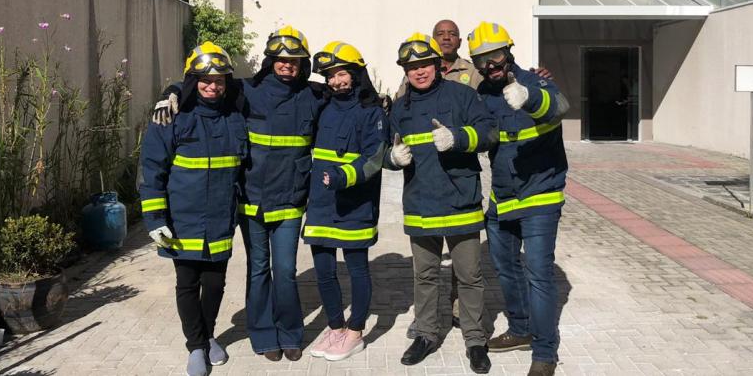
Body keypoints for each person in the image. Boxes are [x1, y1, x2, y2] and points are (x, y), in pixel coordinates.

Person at [152, 26, 327, 362]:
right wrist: (170, 90)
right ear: (270, 60)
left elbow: (346, 96)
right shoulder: (248, 90)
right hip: (252, 201)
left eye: (294, 60)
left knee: (287, 271)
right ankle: (262, 335)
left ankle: (290, 331)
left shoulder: (314, 96)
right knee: (259, 269)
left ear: (302, 63)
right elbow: (206, 81)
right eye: (280, 59)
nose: (286, 65)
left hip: (290, 201)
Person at [383, 32, 496, 374]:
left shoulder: (462, 95)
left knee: (470, 276)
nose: (418, 72)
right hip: (420, 203)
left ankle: (476, 339)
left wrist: (458, 138)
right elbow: (385, 150)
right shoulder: (400, 108)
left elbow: (489, 133)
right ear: (405, 71)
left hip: (460, 200)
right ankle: (427, 334)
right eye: (411, 67)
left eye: (424, 65)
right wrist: (392, 158)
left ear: (436, 65)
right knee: (425, 276)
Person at [466, 22, 569, 376]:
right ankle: (522, 329)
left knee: (539, 274)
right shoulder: (483, 94)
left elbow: (559, 108)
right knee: (506, 269)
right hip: (502, 199)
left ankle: (544, 352)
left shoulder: (537, 81)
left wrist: (531, 98)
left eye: (494, 56)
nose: (490, 66)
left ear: (508, 51)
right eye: (481, 61)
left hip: (539, 195)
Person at [139, 41, 246, 376]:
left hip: (220, 220)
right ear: (192, 79)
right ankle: (195, 346)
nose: (212, 86)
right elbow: (152, 168)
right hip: (182, 221)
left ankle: (210, 335)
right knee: (187, 284)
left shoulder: (235, 115)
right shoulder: (171, 117)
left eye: (219, 81)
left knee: (215, 285)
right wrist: (155, 219)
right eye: (204, 79)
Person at [302, 41, 389, 361]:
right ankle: (336, 327)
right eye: (330, 76)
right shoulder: (323, 104)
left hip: (356, 204)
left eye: (341, 74)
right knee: (323, 271)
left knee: (356, 270)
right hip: (322, 203)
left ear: (356, 73)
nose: (335, 81)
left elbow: (374, 158)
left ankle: (355, 332)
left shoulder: (372, 111)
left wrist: (343, 177)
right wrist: (175, 89)